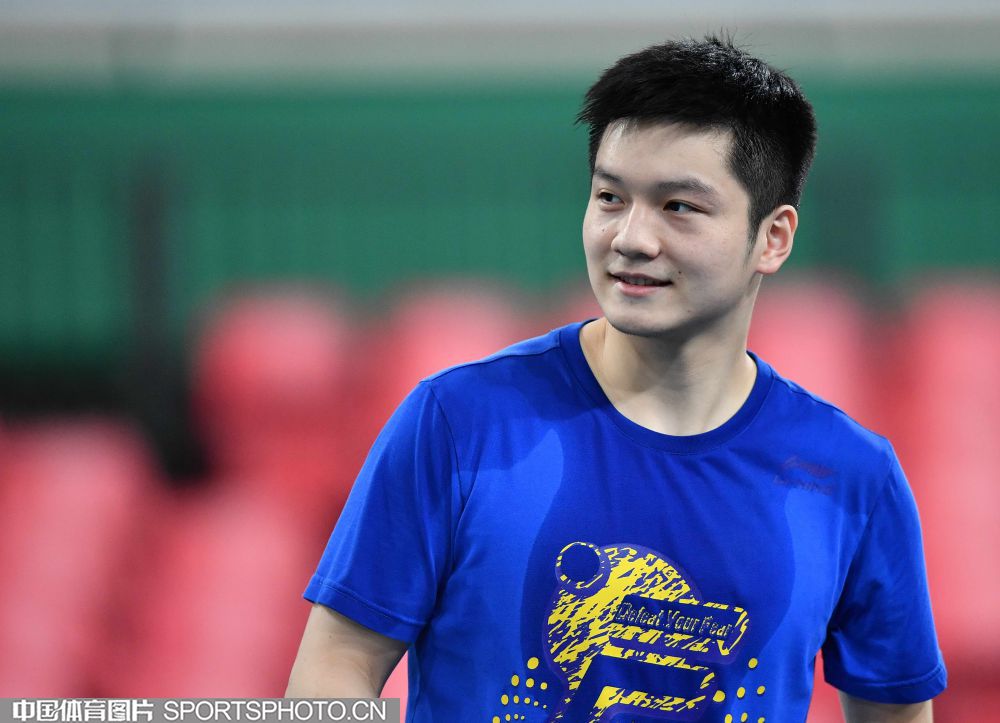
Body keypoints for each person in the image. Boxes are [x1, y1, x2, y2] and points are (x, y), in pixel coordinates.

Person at [285, 35, 946, 722]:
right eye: (610, 197)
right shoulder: (458, 423)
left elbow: (895, 712)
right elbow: (337, 665)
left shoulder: (851, 474)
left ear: (772, 237)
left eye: (678, 206)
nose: (630, 237)